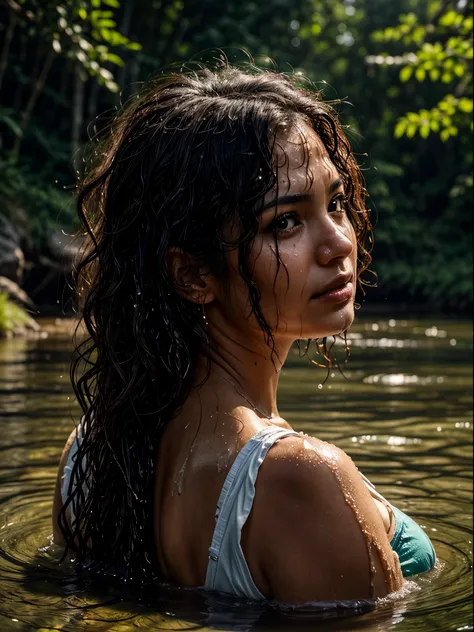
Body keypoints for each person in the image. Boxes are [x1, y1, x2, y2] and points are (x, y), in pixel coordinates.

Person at [52, 64, 436, 604]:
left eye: (336, 203)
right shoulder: (300, 480)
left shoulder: (89, 453)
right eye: (285, 222)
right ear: (193, 274)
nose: (338, 244)